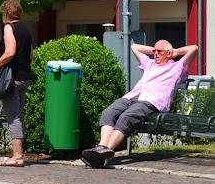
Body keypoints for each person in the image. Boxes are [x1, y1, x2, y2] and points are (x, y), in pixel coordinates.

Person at [82, 39, 198, 168]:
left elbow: (194, 48)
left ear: (168, 53)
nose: (155, 54)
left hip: (151, 101)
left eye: (159, 51)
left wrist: (175, 52)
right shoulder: (150, 63)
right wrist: (156, 50)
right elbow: (134, 47)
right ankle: (102, 147)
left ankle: (104, 152)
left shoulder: (177, 67)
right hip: (132, 97)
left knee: (126, 117)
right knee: (108, 112)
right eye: (154, 51)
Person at [0, 0, 32, 167]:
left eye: (2, 13)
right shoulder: (25, 28)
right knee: (19, 116)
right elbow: (29, 54)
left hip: (12, 79)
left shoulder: (9, 27)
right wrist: (3, 50)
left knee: (13, 117)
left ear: (6, 13)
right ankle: (16, 153)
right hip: (25, 77)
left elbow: (10, 52)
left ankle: (18, 156)